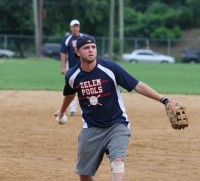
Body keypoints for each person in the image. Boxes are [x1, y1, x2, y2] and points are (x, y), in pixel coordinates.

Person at [54, 34, 173, 181]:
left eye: (93, 47)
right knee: (84, 174)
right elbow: (70, 93)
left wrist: (165, 100)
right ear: (78, 52)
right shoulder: (72, 75)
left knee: (117, 163)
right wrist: (62, 110)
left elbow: (138, 85)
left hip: (117, 125)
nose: (91, 50)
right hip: (91, 127)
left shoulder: (110, 68)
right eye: (86, 48)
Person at [60, 19, 83, 116]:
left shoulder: (84, 38)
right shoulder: (67, 39)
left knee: (84, 87)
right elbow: (63, 53)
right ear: (71, 28)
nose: (75, 28)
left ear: (79, 27)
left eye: (77, 26)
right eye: (74, 26)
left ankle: (84, 109)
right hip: (71, 67)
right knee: (71, 87)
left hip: (83, 66)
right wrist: (63, 67)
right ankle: (72, 108)